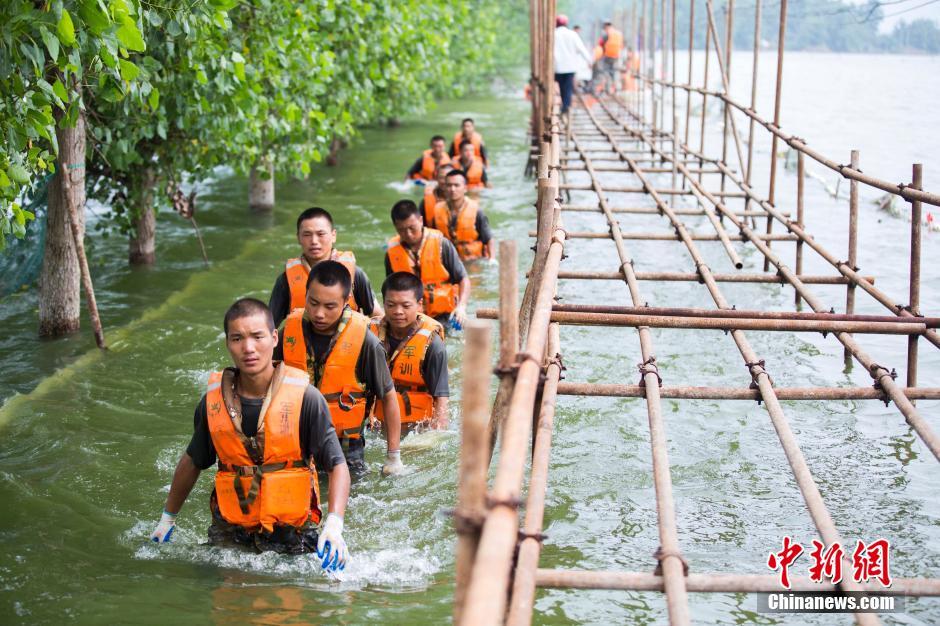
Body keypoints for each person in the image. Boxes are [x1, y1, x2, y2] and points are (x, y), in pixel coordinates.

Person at [149, 298, 351, 571]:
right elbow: (193, 460)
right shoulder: (212, 403)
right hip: (230, 530)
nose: (248, 348)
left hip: (292, 530)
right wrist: (167, 519)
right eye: (237, 339)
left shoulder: (306, 398)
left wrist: (334, 525)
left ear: (274, 337)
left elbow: (337, 464)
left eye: (257, 336)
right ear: (227, 343)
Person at [276, 261, 403, 477]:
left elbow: (388, 396)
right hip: (294, 439)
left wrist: (393, 457)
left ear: (345, 302)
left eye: (329, 306)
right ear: (305, 294)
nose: (319, 313)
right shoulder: (287, 332)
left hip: (346, 447)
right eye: (313, 302)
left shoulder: (366, 341)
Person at [269, 207, 381, 328]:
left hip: (349, 344)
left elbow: (377, 316)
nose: (314, 241)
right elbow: (269, 326)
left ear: (333, 235)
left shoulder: (354, 274)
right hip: (303, 343)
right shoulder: (286, 279)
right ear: (298, 238)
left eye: (320, 234)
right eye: (307, 234)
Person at [369, 272, 450, 431]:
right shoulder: (368, 335)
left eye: (406, 306)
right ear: (383, 303)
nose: (398, 311)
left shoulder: (433, 345)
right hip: (376, 425)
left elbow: (442, 399)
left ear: (419, 305)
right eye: (391, 305)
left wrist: (436, 433)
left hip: (415, 428)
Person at [385, 199, 470, 327]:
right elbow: (390, 291)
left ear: (420, 220)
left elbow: (463, 279)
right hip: (411, 318)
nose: (408, 234)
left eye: (412, 228)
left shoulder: (442, 244)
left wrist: (461, 307)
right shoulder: (391, 254)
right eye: (401, 230)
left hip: (445, 315)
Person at [429, 169, 493, 261]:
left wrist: (492, 259)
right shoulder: (437, 210)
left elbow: (489, 239)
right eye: (449, 185)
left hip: (472, 260)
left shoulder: (477, 211)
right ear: (444, 188)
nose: (452, 189)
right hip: (447, 259)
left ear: (465, 188)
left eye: (456, 185)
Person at [554, 14, 593, 114]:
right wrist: (589, 61)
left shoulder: (553, 34)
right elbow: (582, 49)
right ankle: (566, 105)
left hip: (557, 66)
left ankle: (564, 105)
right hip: (570, 67)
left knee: (561, 86)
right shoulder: (572, 34)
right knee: (568, 87)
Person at [600, 19, 624, 95]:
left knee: (606, 72)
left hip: (607, 56)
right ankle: (615, 88)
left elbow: (601, 44)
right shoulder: (619, 33)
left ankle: (608, 88)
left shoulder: (606, 34)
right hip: (616, 56)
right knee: (614, 72)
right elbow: (622, 45)